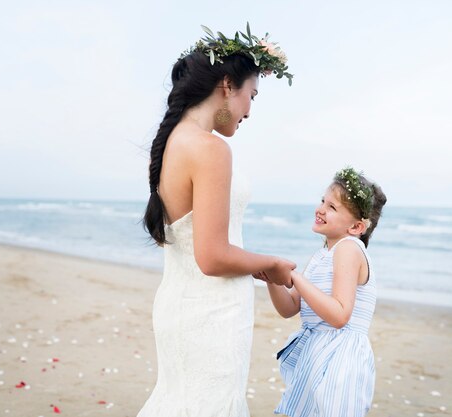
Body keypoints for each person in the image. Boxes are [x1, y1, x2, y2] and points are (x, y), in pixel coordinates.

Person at [138, 24, 294, 417]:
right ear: (227, 84)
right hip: (211, 312)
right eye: (251, 96)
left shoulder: (174, 141)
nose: (250, 111)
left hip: (180, 304)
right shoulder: (210, 148)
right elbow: (211, 256)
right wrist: (271, 264)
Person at [254, 167, 387, 417]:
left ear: (357, 227)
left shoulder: (349, 249)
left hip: (341, 356)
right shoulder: (321, 255)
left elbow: (339, 315)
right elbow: (290, 307)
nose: (321, 209)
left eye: (332, 208)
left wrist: (293, 276)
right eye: (323, 201)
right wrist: (273, 280)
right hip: (317, 351)